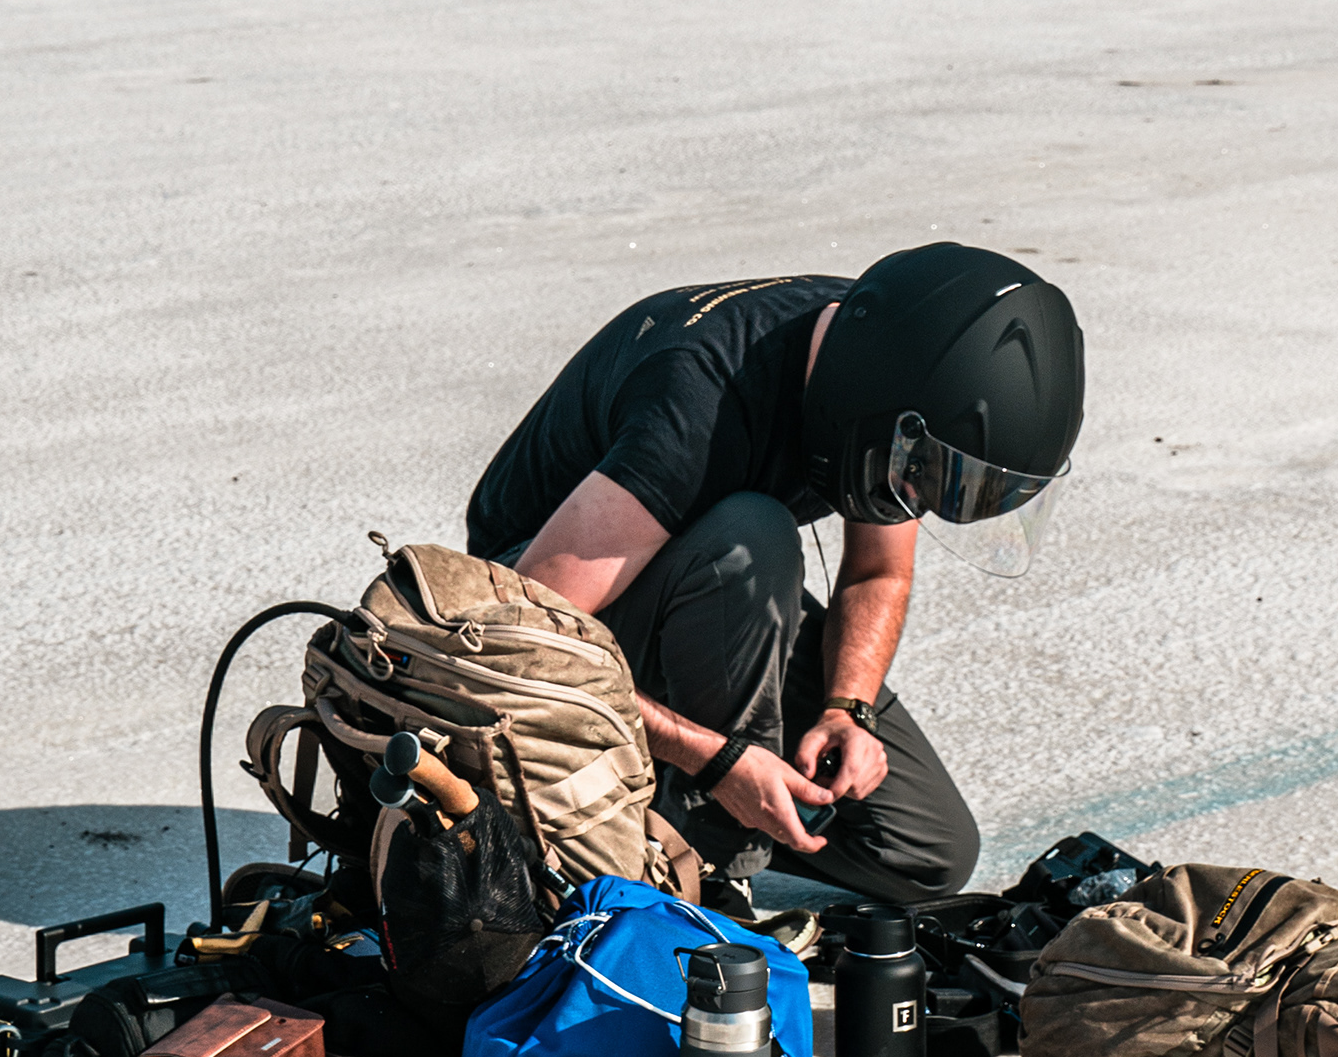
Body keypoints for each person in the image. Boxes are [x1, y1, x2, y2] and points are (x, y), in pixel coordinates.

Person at [464, 244, 1085, 913]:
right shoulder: (695, 401)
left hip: (708, 600)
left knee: (927, 852)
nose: (919, 499)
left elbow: (877, 571)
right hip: (551, 606)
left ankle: (671, 792)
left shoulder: (890, 356)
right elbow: (520, 647)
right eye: (923, 478)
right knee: (752, 537)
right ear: (880, 416)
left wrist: (848, 709)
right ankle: (712, 859)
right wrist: (715, 760)